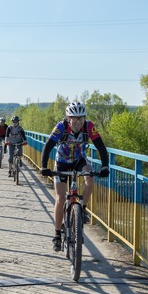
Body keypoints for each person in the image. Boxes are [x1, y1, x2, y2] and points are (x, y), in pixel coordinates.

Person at [40, 101, 109, 252]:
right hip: (62, 162)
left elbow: (101, 147)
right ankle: (57, 235)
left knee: (90, 180)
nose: (78, 121)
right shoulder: (61, 127)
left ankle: (82, 210)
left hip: (80, 160)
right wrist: (44, 166)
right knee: (60, 198)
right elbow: (48, 146)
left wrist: (105, 166)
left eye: (81, 118)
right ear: (68, 118)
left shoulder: (89, 127)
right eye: (74, 118)